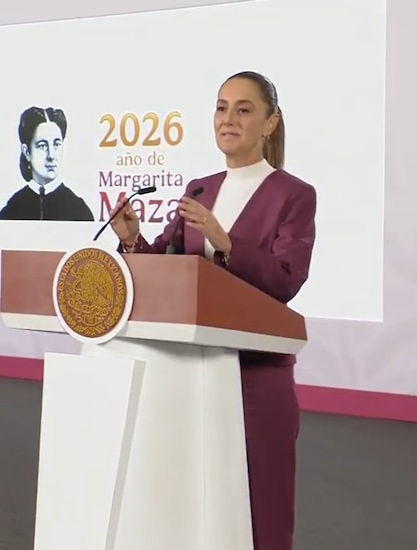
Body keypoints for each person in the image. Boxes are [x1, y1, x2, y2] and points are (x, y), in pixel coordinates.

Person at [109, 70, 316, 550]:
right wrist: (131, 240)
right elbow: (165, 269)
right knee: (195, 499)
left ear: (270, 123)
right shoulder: (200, 189)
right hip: (190, 370)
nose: (228, 118)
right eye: (222, 107)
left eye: (244, 109)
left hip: (254, 374)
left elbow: (287, 278)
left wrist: (226, 242)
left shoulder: (293, 195)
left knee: (261, 503)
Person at [0, 106, 95, 221]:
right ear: (27, 151)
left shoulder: (79, 210)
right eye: (42, 146)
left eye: (56, 145)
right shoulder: (12, 210)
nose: (51, 156)